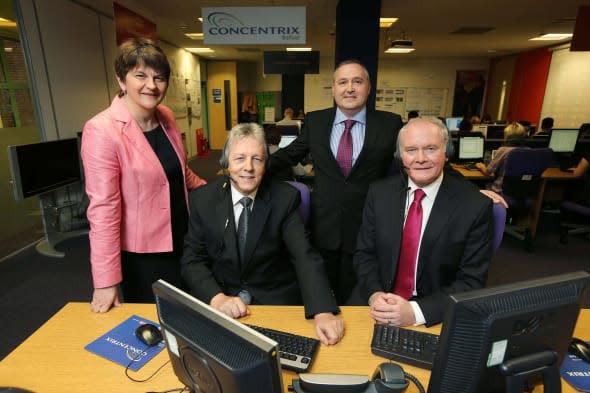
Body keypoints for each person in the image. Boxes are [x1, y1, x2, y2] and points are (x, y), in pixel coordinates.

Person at [180, 123, 344, 345]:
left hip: (274, 302)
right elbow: (192, 259)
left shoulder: (284, 199)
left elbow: (303, 255)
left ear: (265, 165)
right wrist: (217, 298)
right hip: (224, 301)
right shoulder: (203, 200)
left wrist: (323, 310)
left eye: (257, 159)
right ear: (226, 163)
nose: (248, 167)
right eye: (240, 159)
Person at [81, 38, 207, 313]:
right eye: (141, 75)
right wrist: (105, 280)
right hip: (144, 254)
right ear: (121, 79)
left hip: (184, 237)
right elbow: (103, 209)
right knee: (156, 324)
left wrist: (215, 189)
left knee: (193, 316)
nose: (151, 85)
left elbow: (176, 171)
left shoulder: (166, 116)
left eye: (159, 77)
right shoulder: (101, 130)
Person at [268, 59, 404, 304]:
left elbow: (417, 159)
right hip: (324, 224)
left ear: (368, 87)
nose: (349, 88)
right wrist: (249, 168)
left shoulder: (389, 124)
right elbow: (288, 155)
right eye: (343, 82)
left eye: (357, 81)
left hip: (368, 224)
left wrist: (468, 188)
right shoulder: (316, 121)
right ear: (333, 88)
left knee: (361, 295)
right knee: (323, 291)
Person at [354, 118, 493, 327]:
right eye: (411, 150)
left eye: (430, 149)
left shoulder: (475, 206)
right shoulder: (379, 193)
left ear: (447, 153)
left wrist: (415, 312)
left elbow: (471, 282)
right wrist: (375, 295)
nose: (420, 159)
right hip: (378, 300)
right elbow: (364, 253)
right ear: (400, 156)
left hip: (434, 308)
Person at [475, 122, 527, 193]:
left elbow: (487, 172)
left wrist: (481, 166)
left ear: (507, 136)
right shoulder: (528, 151)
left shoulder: (503, 150)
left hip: (501, 190)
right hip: (522, 190)